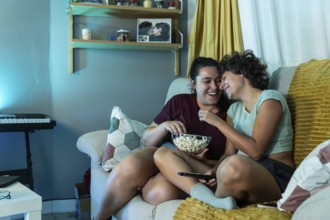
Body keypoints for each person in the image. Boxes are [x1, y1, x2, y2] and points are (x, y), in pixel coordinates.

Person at [154, 50, 295, 209]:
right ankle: (213, 200)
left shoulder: (270, 99)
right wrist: (213, 171)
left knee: (233, 165)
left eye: (224, 78)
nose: (220, 85)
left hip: (274, 173)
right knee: (163, 153)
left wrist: (218, 123)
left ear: (241, 73)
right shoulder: (234, 110)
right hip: (237, 169)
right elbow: (228, 153)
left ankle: (212, 201)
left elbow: (256, 151)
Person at [95, 57, 231, 220]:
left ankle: (138, 184)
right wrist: (164, 126)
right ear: (194, 84)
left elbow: (230, 155)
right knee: (130, 165)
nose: (214, 87)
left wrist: (207, 165)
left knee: (159, 193)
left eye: (218, 81)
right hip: (163, 153)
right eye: (207, 81)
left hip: (197, 166)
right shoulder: (179, 102)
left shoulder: (229, 111)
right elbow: (146, 141)